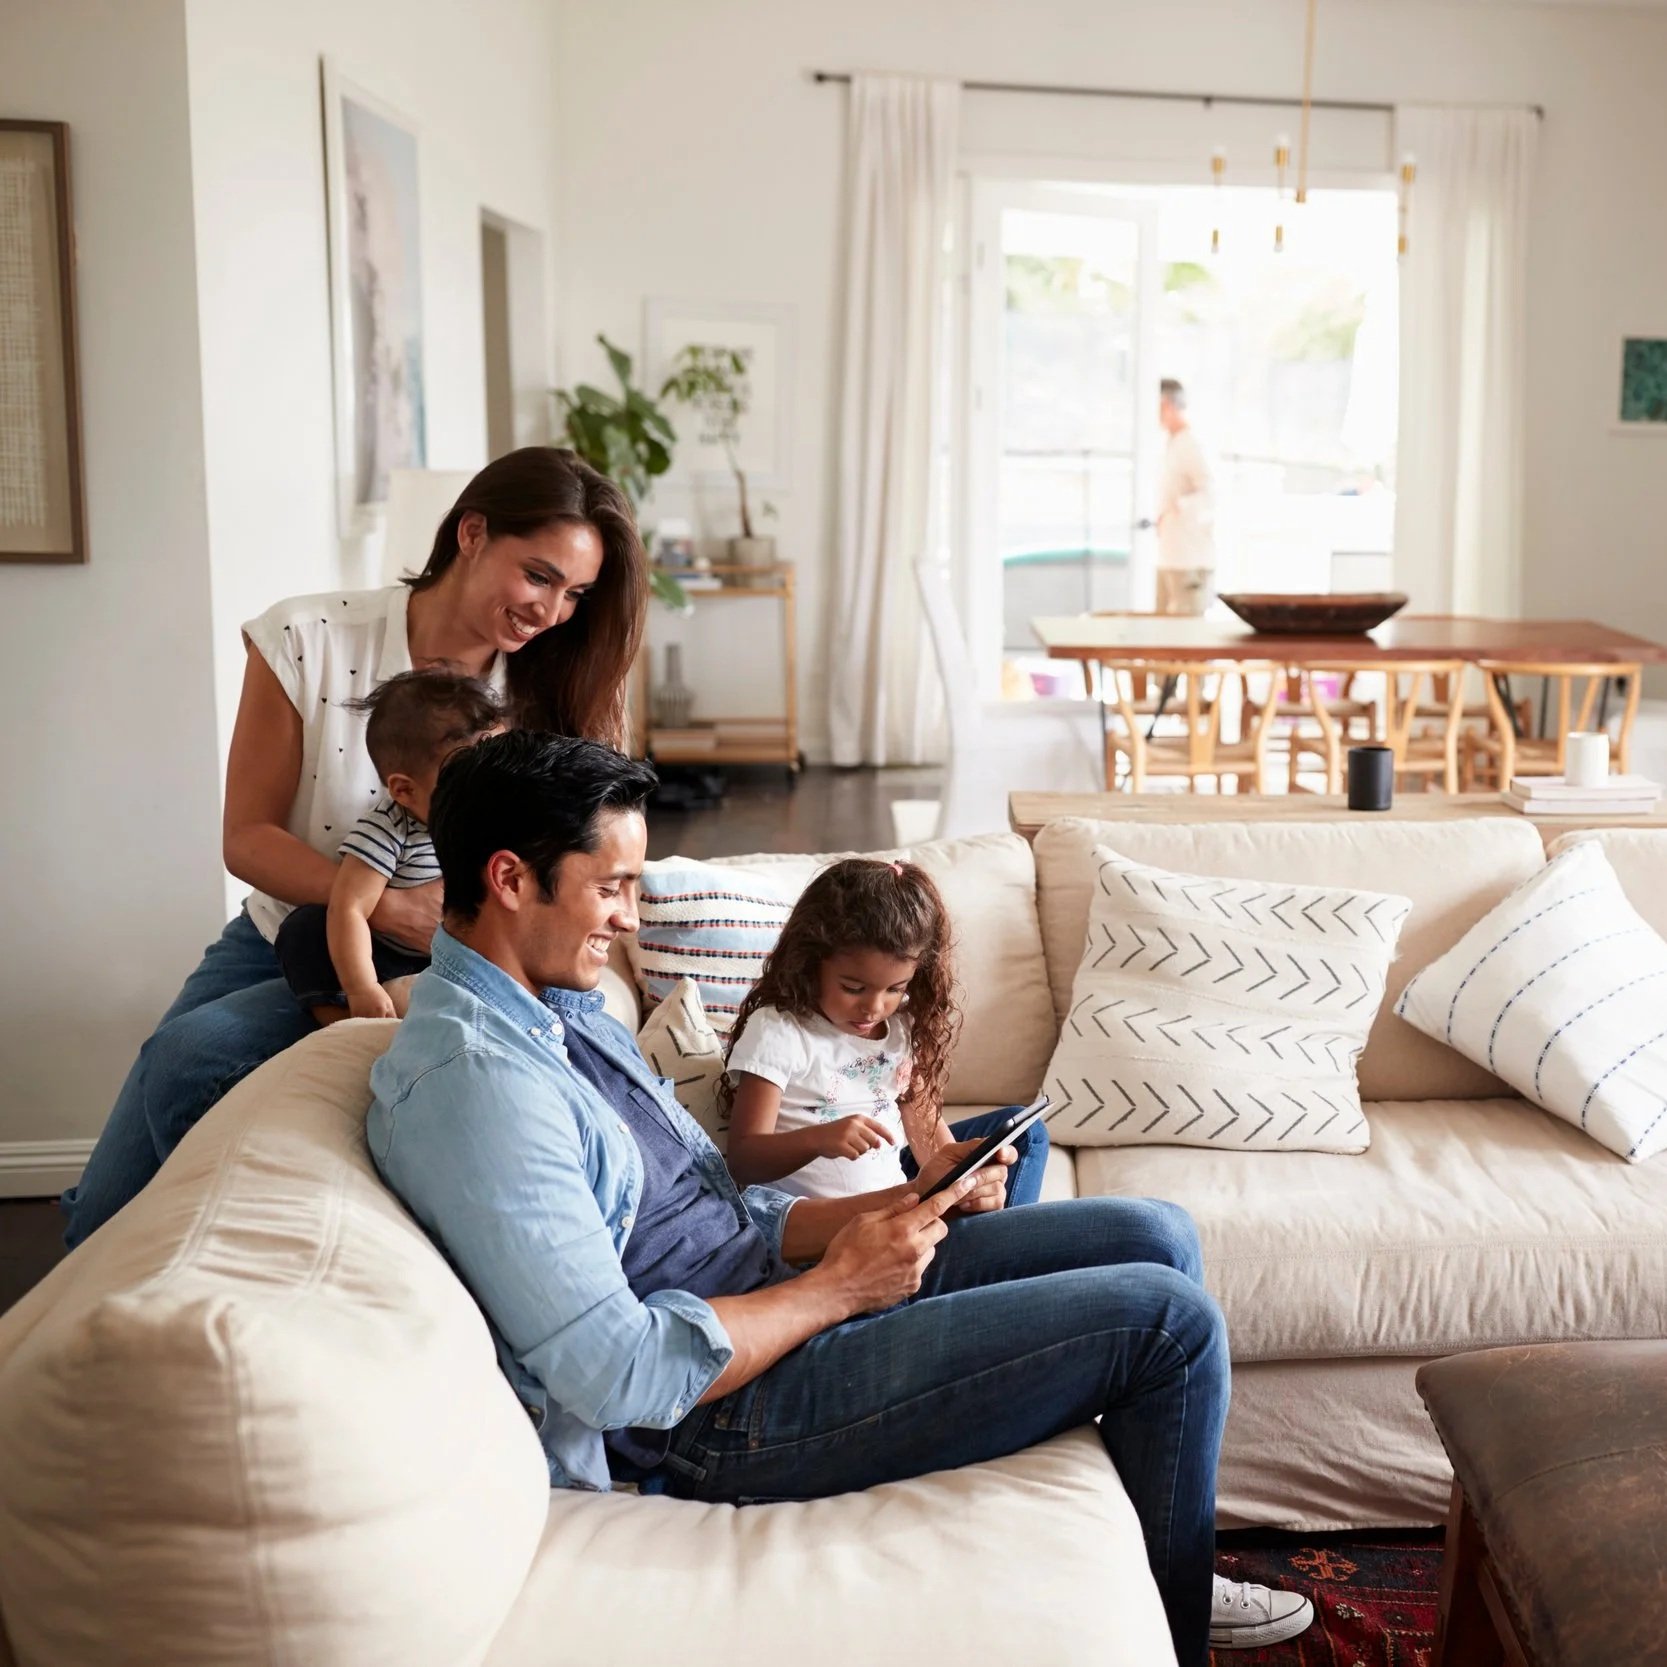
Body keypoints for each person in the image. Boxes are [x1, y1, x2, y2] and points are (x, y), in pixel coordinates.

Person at [367, 732, 1315, 1663]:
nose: (626, 917)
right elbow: (618, 1374)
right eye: (609, 886)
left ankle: (1158, 1548)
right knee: (1166, 1323)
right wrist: (840, 1287)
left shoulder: (559, 1013)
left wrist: (894, 1205)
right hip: (715, 1411)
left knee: (1154, 1231)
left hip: (776, 1295)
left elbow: (720, 1208)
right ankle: (1181, 1611)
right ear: (509, 878)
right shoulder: (479, 1085)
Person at [61, 447, 648, 1249]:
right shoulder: (308, 637)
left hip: (444, 959)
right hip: (285, 929)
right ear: (472, 533)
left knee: (192, 1056)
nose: (550, 611)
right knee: (102, 1208)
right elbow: (248, 837)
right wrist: (382, 904)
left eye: (575, 593)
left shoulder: (548, 688)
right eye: (538, 575)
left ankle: (213, 1257)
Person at [721, 857, 1049, 1208]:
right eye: (853, 988)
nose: (874, 1008)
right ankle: (999, 1235)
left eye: (895, 989)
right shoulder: (780, 1031)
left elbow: (929, 1140)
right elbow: (743, 1159)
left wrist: (963, 1187)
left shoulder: (900, 1027)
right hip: (836, 1222)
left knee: (1026, 1135)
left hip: (901, 1205)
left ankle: (992, 1229)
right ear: (810, 962)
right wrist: (818, 1139)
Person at [273, 668, 505, 1025]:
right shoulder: (389, 830)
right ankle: (341, 1019)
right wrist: (361, 986)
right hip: (387, 958)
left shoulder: (497, 819)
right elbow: (350, 908)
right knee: (306, 928)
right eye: (467, 780)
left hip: (459, 957)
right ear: (405, 790)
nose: (490, 792)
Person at [1155, 378, 1217, 616]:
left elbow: (1210, 494)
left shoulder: (1193, 444)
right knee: (1162, 628)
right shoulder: (1171, 444)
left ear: (1167, 405)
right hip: (1169, 556)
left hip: (1190, 559)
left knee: (1185, 628)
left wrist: (1177, 509)